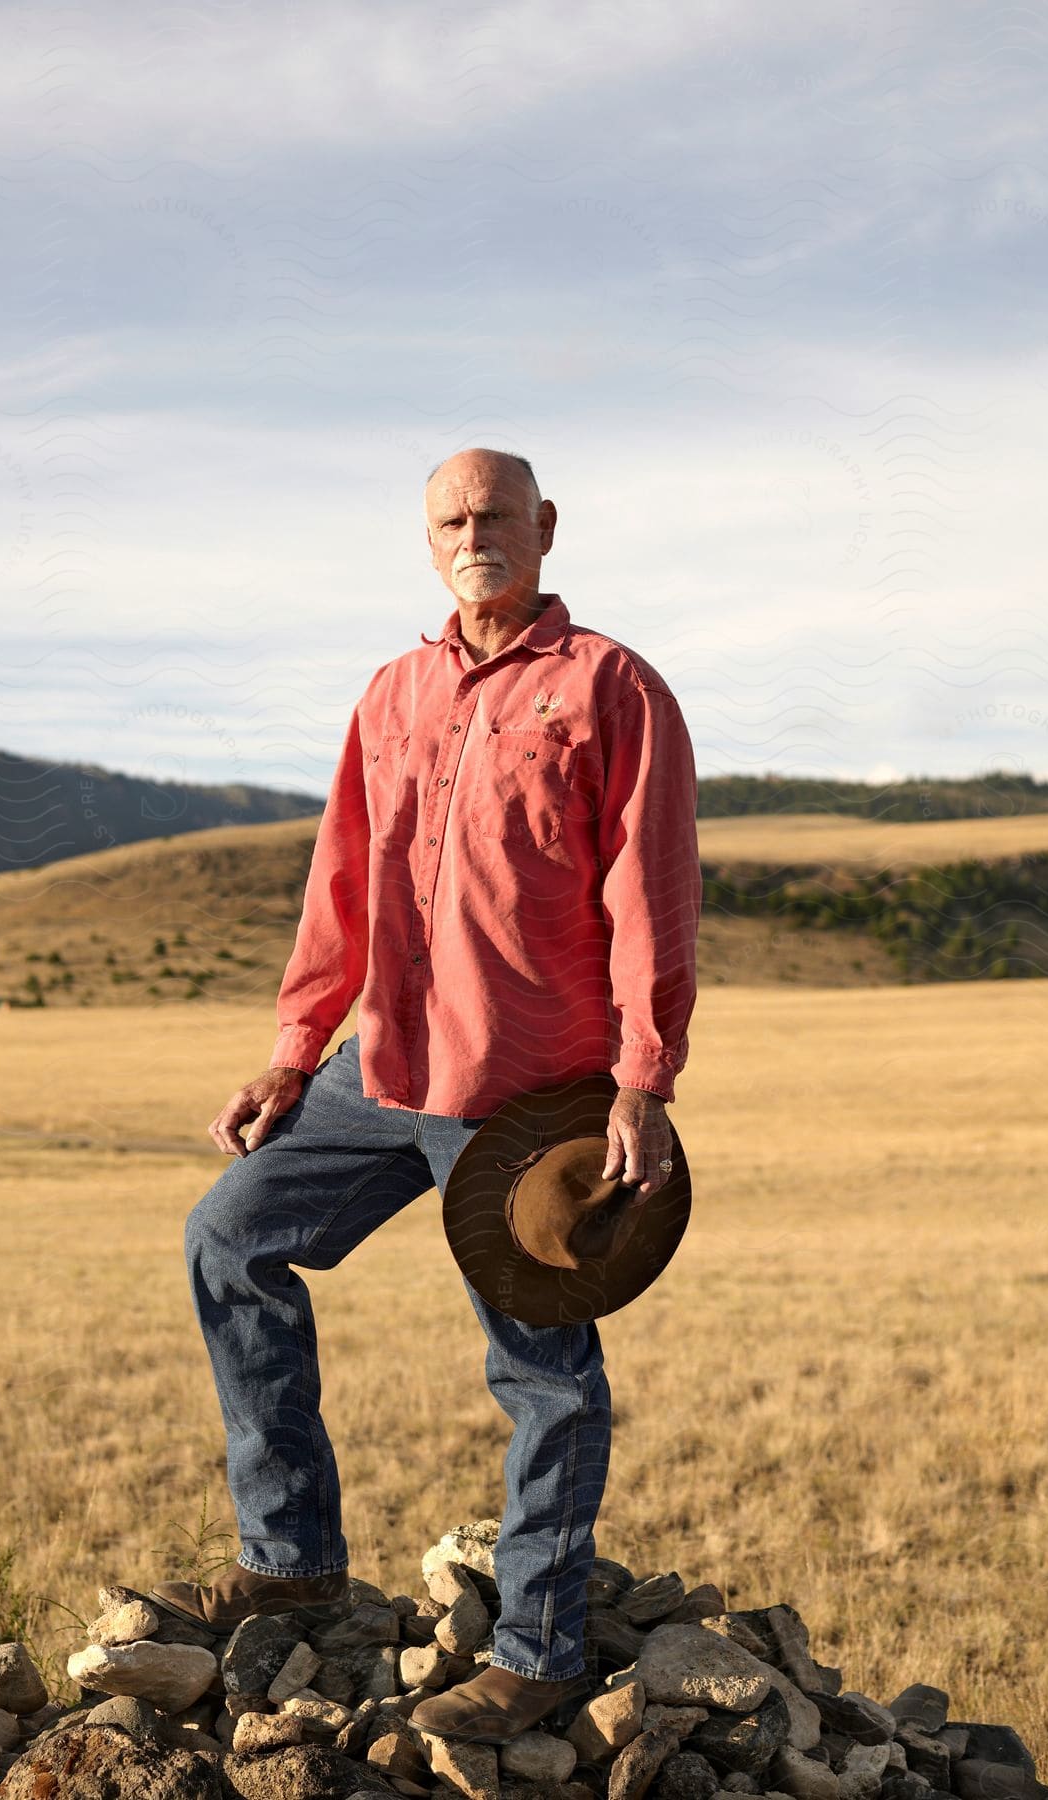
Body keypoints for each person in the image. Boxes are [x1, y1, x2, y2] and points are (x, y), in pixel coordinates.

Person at [146, 448, 703, 1743]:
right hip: (382, 1067)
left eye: (494, 514)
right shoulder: (392, 694)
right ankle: (290, 1557)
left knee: (544, 1370)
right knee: (228, 1238)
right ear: (429, 537)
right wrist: (296, 1052)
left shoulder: (610, 688)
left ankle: (541, 1650)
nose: (473, 534)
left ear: (545, 527)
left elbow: (649, 895)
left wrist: (643, 1078)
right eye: (451, 518)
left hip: (528, 1102)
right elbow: (344, 884)